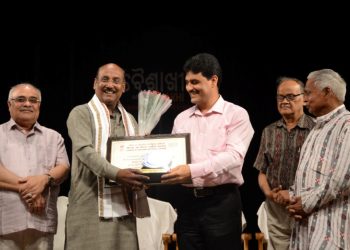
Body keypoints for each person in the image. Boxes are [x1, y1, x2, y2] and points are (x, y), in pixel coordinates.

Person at [161, 53, 254, 250]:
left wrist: (191, 171)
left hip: (222, 204)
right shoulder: (181, 119)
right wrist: (148, 170)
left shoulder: (236, 114)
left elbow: (234, 158)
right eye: (187, 82)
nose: (188, 88)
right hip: (187, 204)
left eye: (195, 81)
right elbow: (172, 159)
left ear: (213, 80)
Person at [65, 63, 150, 250]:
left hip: (123, 209)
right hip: (88, 207)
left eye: (116, 80)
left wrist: (145, 175)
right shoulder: (80, 113)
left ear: (124, 87)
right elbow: (85, 152)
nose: (110, 84)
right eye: (105, 79)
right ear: (95, 83)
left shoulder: (131, 121)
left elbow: (138, 158)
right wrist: (118, 174)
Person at [0, 83, 70, 250]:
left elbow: (64, 168)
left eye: (33, 100)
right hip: (5, 222)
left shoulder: (54, 137)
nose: (27, 104)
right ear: (10, 104)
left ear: (39, 105)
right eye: (20, 99)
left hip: (41, 222)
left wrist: (44, 180)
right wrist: (32, 189)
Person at [286, 69, 350, 249]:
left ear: (327, 91)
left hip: (330, 231)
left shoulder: (346, 125)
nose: (304, 99)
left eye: (308, 93)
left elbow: (342, 179)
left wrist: (304, 203)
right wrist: (293, 198)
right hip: (305, 229)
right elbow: (306, 175)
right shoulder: (316, 127)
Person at [253, 77, 315, 250]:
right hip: (276, 213)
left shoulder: (316, 129)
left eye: (290, 96)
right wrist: (269, 194)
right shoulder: (269, 131)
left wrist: (299, 195)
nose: (285, 101)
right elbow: (262, 171)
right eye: (280, 97)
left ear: (304, 98)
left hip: (306, 210)